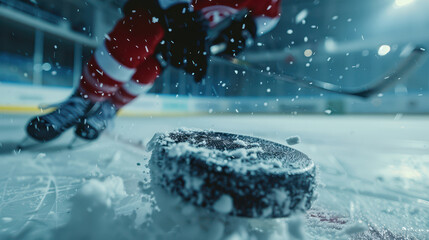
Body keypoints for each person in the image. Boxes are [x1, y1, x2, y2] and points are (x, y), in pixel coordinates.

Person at [25, 0, 282, 142]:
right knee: (141, 35)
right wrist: (178, 14)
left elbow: (270, 15)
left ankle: (109, 108)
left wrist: (245, 31)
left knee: (155, 62)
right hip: (154, 8)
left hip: (190, 26)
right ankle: (83, 99)